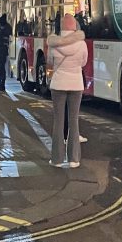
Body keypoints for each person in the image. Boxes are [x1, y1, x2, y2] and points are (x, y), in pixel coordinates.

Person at [48, 13, 87, 168]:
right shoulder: (82, 45)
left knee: (58, 121)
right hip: (76, 84)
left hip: (58, 84)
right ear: (74, 27)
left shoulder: (53, 44)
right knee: (73, 120)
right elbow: (83, 62)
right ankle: (74, 159)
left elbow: (50, 61)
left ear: (62, 27)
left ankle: (57, 159)